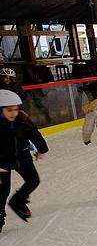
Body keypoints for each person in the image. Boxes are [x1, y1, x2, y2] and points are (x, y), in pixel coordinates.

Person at [0, 89, 49, 228]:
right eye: (9, 110)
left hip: (22, 156)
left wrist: (42, 150)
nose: (13, 113)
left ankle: (17, 200)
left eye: (16, 109)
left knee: (33, 180)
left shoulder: (23, 121)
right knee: (3, 190)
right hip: (2, 162)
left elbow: (35, 135)